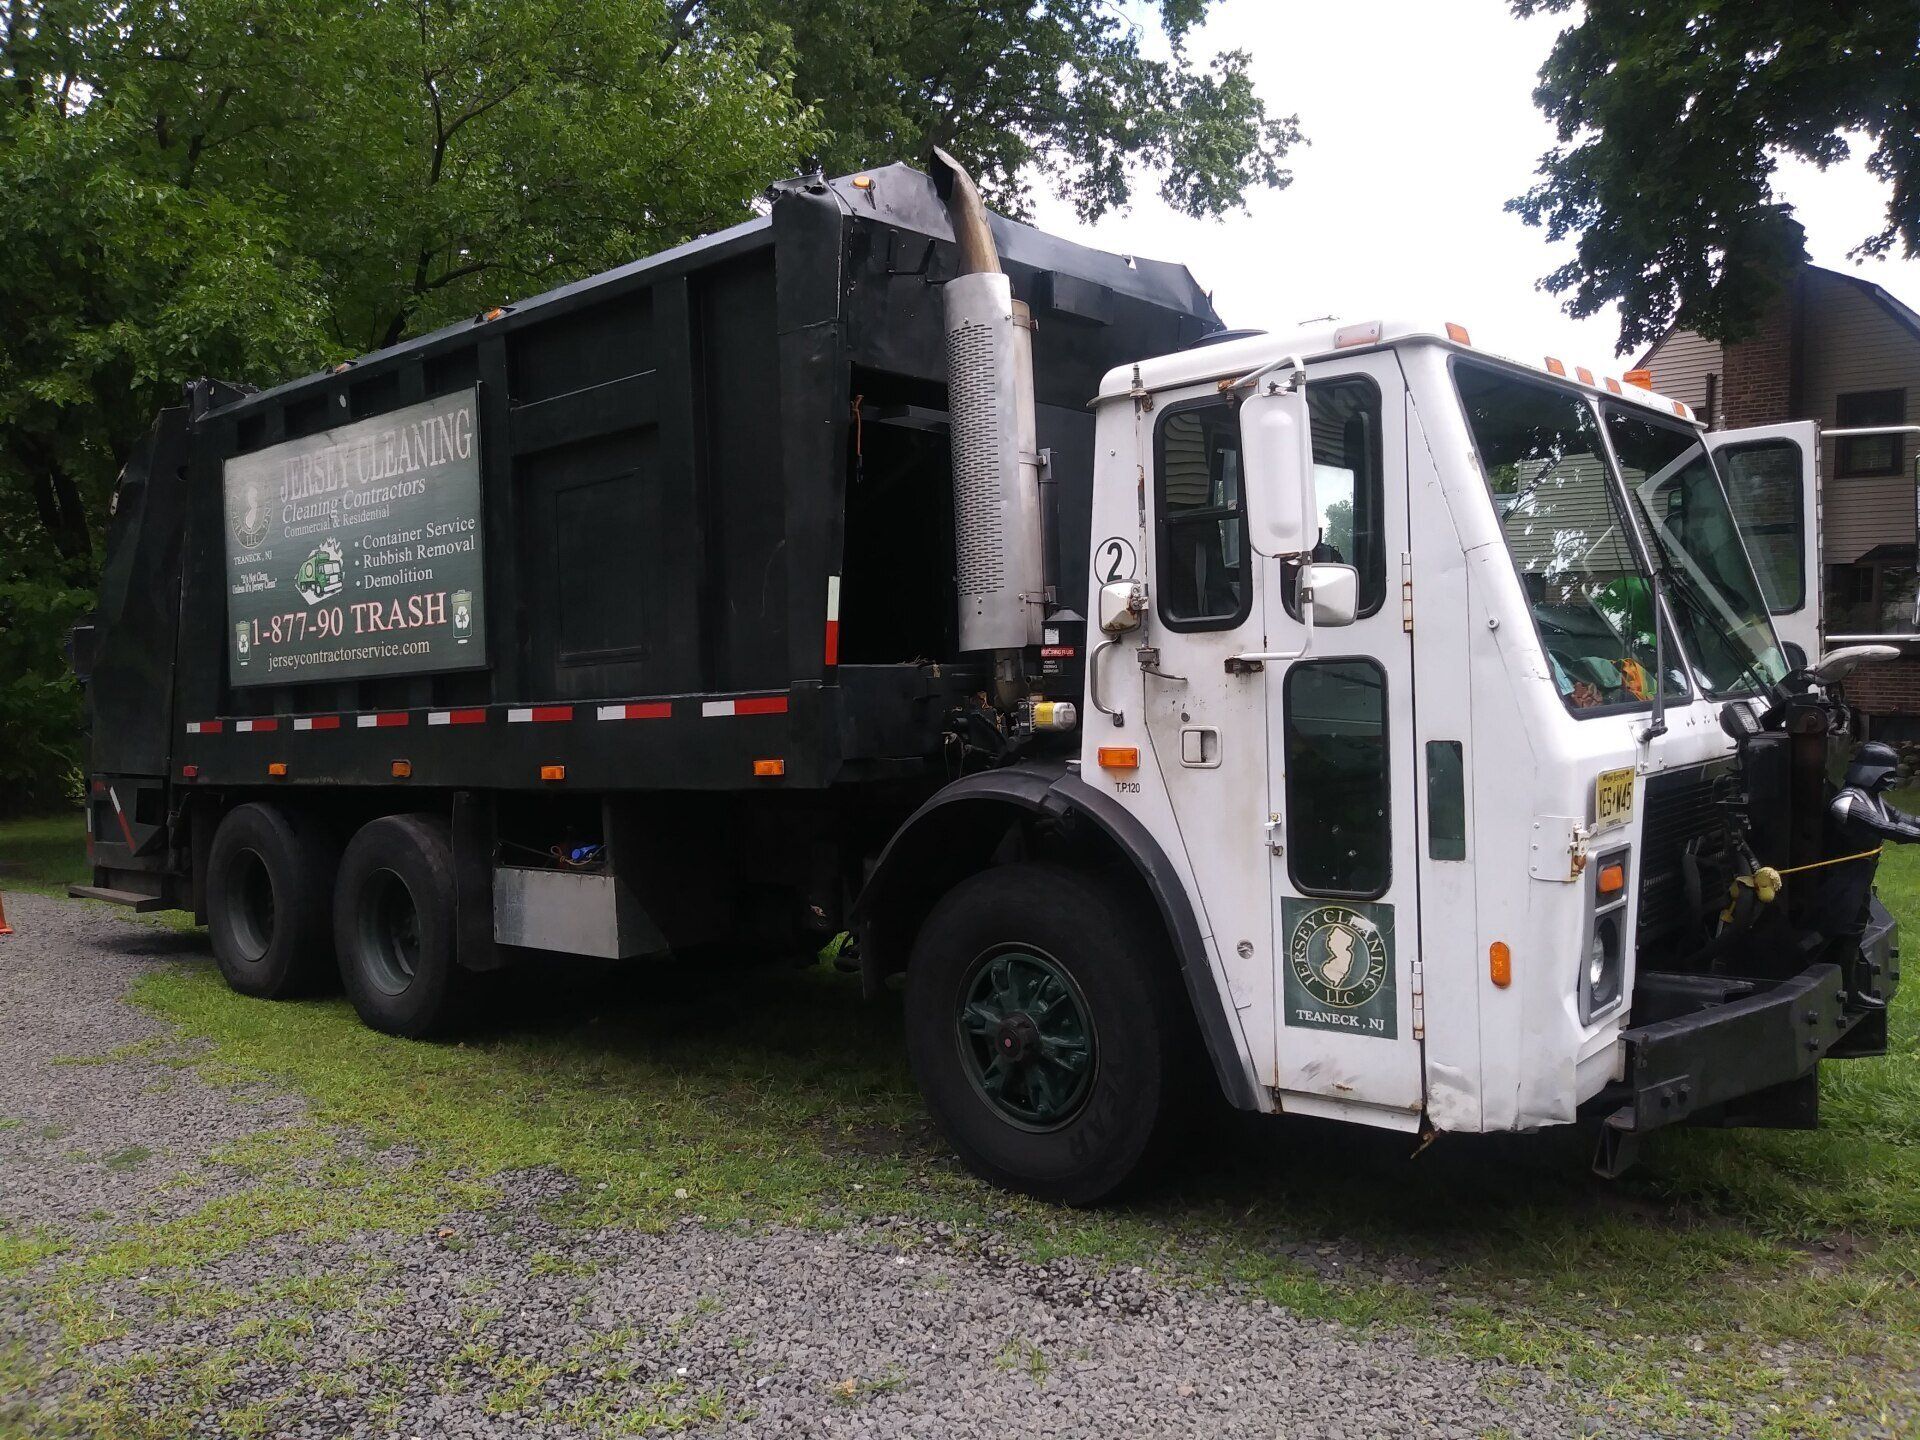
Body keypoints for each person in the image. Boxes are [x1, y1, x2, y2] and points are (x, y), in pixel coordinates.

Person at [1821, 742, 1920, 1009]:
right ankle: (1835, 988)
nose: (1890, 781)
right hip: (1842, 879)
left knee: (1855, 930)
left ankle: (1849, 988)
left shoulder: (1873, 798)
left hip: (1861, 875)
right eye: (1886, 775)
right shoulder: (1847, 803)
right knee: (1839, 930)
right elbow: (1888, 829)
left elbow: (1905, 820)